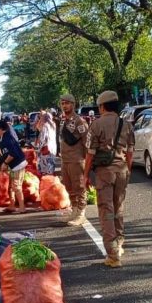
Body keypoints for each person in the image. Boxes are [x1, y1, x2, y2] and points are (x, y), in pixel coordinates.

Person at [83, 90, 135, 268]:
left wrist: (85, 176)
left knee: (106, 210)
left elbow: (90, 154)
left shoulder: (96, 125)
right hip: (122, 170)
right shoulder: (126, 124)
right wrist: (128, 170)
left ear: (102, 106)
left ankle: (113, 255)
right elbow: (130, 152)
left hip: (104, 173)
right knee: (118, 206)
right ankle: (119, 242)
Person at [59, 93, 89, 226]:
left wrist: (88, 160)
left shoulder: (79, 121)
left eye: (67, 103)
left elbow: (87, 141)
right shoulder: (62, 120)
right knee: (68, 185)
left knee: (79, 186)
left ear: (73, 104)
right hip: (65, 160)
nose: (65, 106)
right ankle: (75, 209)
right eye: (63, 103)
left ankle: (81, 213)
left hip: (77, 160)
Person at [0, 119, 27, 214]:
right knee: (11, 187)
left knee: (16, 186)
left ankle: (22, 207)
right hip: (13, 165)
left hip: (18, 164)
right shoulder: (2, 139)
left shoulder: (8, 139)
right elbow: (4, 154)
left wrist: (5, 163)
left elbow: (12, 153)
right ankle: (12, 205)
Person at [36, 111, 57, 175]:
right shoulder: (53, 124)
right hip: (53, 148)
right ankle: (51, 179)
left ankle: (47, 180)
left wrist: (38, 149)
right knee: (51, 164)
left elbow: (43, 138)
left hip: (46, 148)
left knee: (45, 166)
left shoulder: (45, 126)